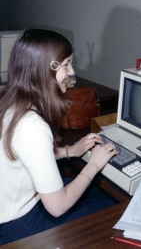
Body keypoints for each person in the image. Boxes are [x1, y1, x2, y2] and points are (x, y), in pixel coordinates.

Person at [0, 29, 118, 245]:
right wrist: (93, 164)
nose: (72, 72)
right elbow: (57, 207)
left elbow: (25, 155)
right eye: (66, 65)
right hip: (20, 227)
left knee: (93, 193)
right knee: (113, 210)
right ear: (45, 70)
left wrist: (70, 151)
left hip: (9, 213)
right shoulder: (32, 125)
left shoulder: (7, 101)